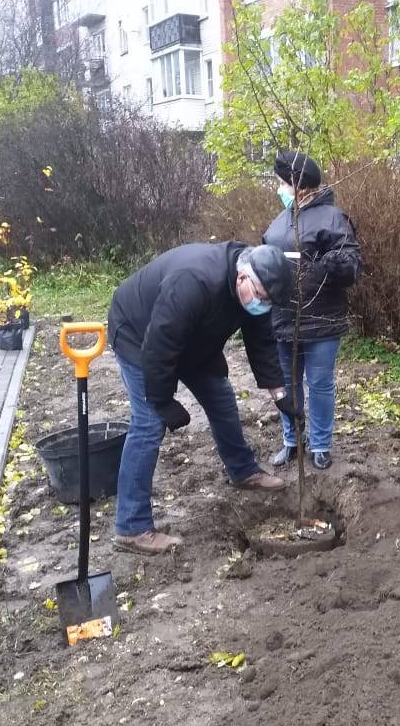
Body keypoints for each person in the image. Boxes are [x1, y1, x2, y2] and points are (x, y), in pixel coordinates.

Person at [107, 242, 304, 555]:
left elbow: (261, 341)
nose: (264, 307)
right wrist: (162, 400)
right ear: (242, 279)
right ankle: (132, 528)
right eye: (263, 299)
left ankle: (243, 471)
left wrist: (279, 393)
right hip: (138, 334)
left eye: (270, 303)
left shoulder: (254, 287)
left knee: (222, 398)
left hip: (194, 341)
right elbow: (159, 344)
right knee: (148, 424)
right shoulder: (194, 281)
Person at [263, 151, 362, 470]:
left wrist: (340, 265)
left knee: (319, 383)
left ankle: (320, 444)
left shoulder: (333, 218)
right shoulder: (279, 221)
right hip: (282, 318)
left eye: (281, 183)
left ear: (298, 184)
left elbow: (353, 265)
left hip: (322, 319)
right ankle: (292, 440)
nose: (278, 188)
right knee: (288, 384)